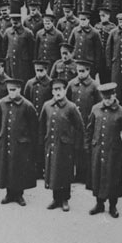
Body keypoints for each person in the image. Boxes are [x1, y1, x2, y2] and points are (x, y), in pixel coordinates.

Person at [38, 76, 85, 211]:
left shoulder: (71, 107)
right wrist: (43, 143)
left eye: (60, 89)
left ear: (65, 91)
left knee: (64, 172)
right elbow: (42, 126)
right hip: (51, 144)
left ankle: (65, 199)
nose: (57, 92)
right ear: (52, 92)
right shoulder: (47, 106)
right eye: (54, 90)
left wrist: (75, 145)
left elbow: (79, 127)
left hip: (65, 146)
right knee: (53, 172)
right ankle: (56, 198)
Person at [87, 82, 122, 218]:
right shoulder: (95, 109)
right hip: (98, 150)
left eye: (109, 98)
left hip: (114, 153)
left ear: (114, 95)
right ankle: (99, 204)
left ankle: (113, 205)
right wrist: (88, 147)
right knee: (98, 177)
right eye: (104, 98)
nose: (107, 101)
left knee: (114, 179)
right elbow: (89, 130)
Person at [0, 76, 38, 206]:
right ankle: (9, 193)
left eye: (14, 90)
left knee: (18, 168)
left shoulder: (27, 106)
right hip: (5, 142)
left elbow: (33, 127)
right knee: (6, 168)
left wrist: (30, 143)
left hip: (21, 144)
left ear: (20, 90)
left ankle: (19, 194)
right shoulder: (2, 103)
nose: (12, 93)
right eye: (9, 90)